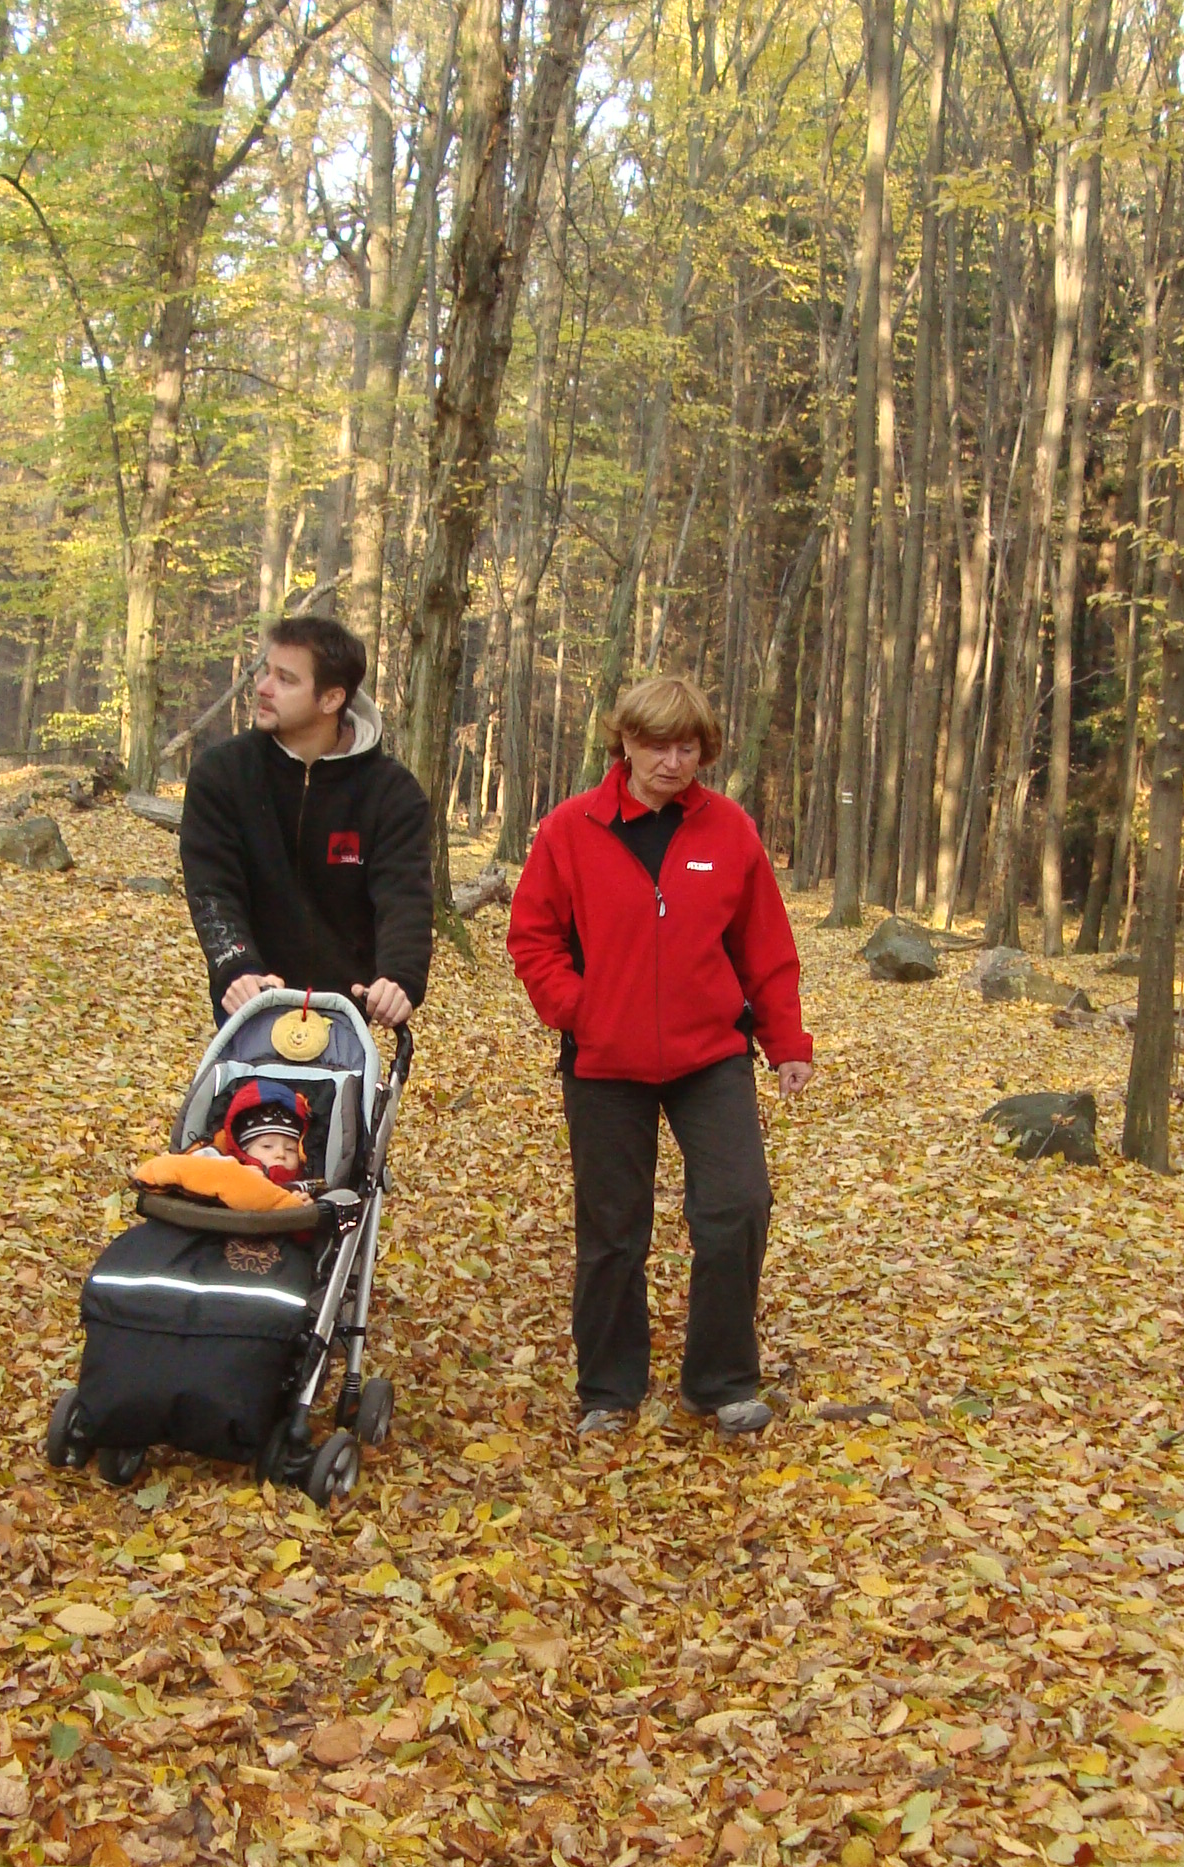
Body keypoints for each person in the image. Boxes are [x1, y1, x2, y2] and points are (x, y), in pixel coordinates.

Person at [506, 673, 814, 1439]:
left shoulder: (729, 831)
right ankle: (609, 1391)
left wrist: (787, 1043)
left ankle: (721, 1383)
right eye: (657, 746)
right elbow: (533, 938)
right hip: (604, 1062)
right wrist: (578, 1010)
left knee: (738, 1206)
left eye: (689, 749)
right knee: (612, 1230)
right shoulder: (570, 828)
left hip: (711, 1056)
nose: (673, 763)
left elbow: (766, 948)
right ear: (626, 743)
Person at [179, 615, 433, 1033]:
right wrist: (236, 965)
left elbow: (404, 896)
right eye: (266, 671)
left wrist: (399, 977)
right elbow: (212, 886)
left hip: (344, 1012)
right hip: (250, 996)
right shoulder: (222, 773)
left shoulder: (393, 794)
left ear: (331, 699)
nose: (263, 687)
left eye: (285, 679)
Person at [131, 1081, 318, 1214]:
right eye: (267, 1146)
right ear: (244, 1150)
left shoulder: (304, 1186)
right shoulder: (221, 1161)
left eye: (291, 1149)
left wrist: (302, 1211)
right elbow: (174, 1169)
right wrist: (240, 1177)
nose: (280, 1154)